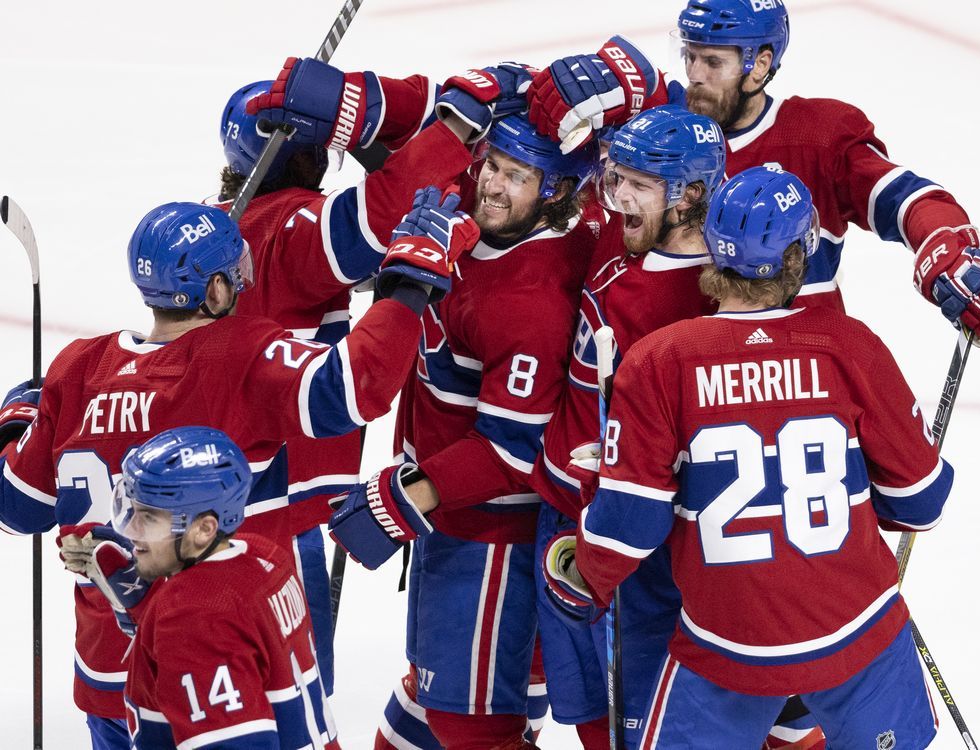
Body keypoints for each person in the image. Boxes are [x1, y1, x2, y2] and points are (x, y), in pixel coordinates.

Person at [0, 195, 478, 750]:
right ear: (214, 291)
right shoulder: (235, 353)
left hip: (109, 674)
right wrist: (410, 284)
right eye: (234, 274)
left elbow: (16, 506)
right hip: (212, 658)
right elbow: (354, 384)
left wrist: (17, 421)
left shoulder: (79, 366)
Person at [546, 166, 952, 749]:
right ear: (799, 255)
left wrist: (582, 572)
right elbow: (923, 502)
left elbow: (630, 528)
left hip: (725, 646)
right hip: (857, 634)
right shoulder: (848, 343)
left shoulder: (660, 359)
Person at [210, 59, 486, 713]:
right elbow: (385, 215)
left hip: (217, 506)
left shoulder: (217, 229)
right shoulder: (286, 230)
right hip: (277, 519)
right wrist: (454, 124)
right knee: (295, 711)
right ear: (311, 161)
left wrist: (367, 138)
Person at [327, 113, 600, 749]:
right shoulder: (477, 224)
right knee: (417, 723)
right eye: (493, 165)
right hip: (452, 526)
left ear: (555, 192)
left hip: (491, 545)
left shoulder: (531, 303)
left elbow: (511, 452)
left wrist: (407, 497)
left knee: (470, 726)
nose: (493, 187)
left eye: (518, 176)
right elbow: (420, 146)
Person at [524, 0, 980, 346]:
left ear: (761, 65)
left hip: (796, 371)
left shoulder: (817, 135)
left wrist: (947, 250)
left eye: (713, 62)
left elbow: (909, 200)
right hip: (672, 375)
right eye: (689, 55)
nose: (693, 73)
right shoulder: (658, 126)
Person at [525, 104, 724, 748]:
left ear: (692, 195)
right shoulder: (625, 235)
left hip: (634, 551)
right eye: (618, 180)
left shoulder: (705, 302)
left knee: (640, 729)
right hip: (563, 511)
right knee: (589, 714)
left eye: (639, 185)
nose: (618, 199)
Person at [98, 426, 335, 748]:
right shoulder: (266, 557)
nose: (134, 532)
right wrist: (148, 611)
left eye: (150, 518)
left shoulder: (192, 615)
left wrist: (169, 615)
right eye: (133, 512)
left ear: (204, 528)